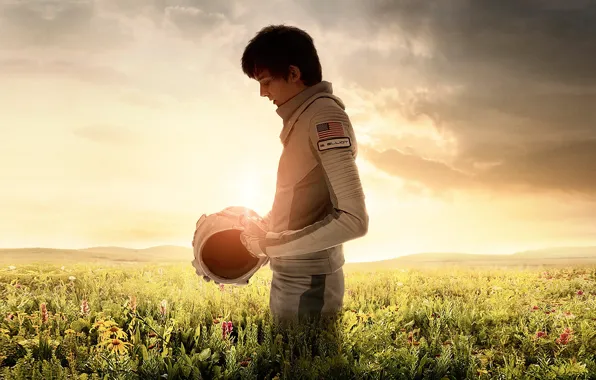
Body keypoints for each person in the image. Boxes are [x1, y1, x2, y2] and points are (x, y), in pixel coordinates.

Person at [238, 24, 369, 327]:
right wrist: (260, 226)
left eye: (266, 81)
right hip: (294, 275)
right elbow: (300, 197)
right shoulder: (305, 117)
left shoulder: (324, 117)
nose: (262, 92)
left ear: (294, 73)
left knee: (301, 365)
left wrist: (270, 244)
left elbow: (354, 219)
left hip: (310, 282)